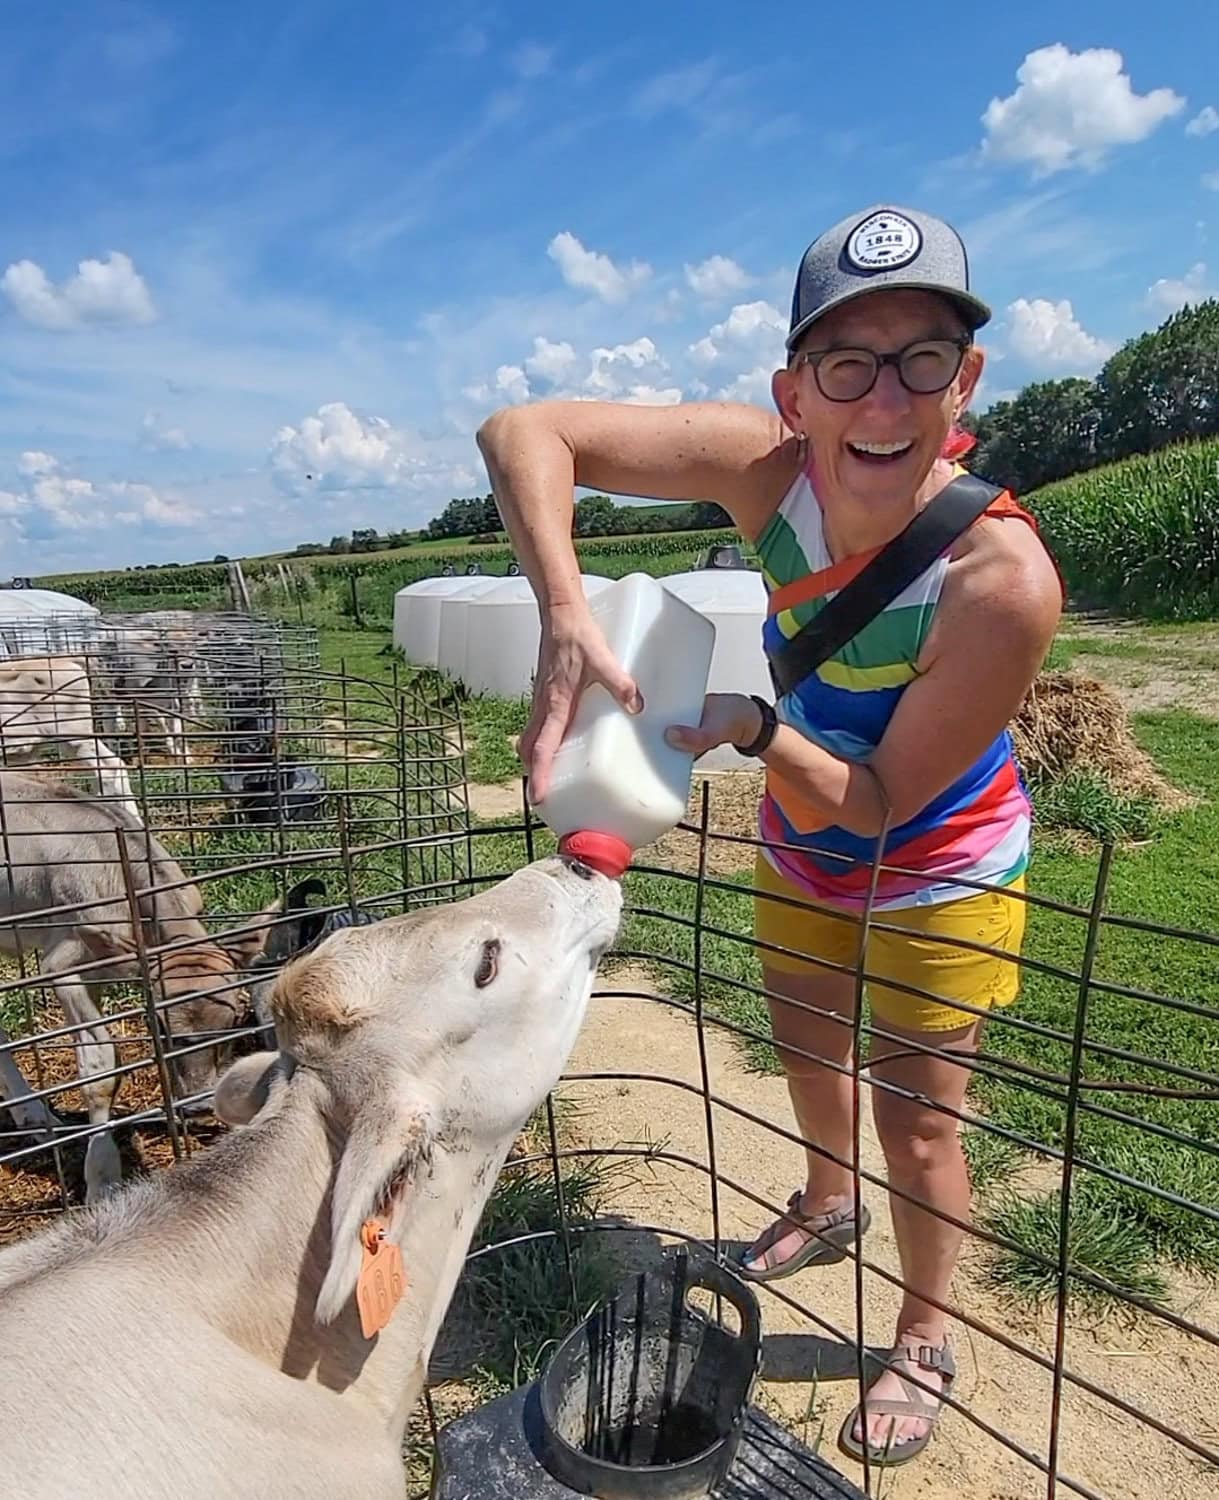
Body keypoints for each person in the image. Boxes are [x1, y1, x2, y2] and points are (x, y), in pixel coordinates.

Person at [477, 203, 1063, 1469]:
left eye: (920, 359)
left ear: (964, 378)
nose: (882, 399)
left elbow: (880, 804)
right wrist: (564, 611)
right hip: (803, 834)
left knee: (921, 1115)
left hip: (935, 863)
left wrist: (751, 728)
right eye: (845, 364)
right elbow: (525, 431)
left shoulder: (997, 578)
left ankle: (920, 1333)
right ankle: (826, 1196)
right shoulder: (763, 472)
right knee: (803, 1044)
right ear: (793, 392)